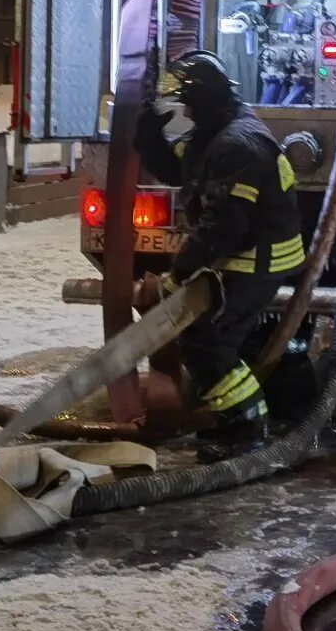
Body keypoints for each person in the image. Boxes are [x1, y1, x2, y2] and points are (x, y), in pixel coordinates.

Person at [132, 49, 308, 462]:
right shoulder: (216, 132)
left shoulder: (238, 144)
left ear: (206, 102)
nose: (184, 112)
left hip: (258, 259)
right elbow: (183, 172)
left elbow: (223, 228)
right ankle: (242, 409)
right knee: (214, 337)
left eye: (187, 104)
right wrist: (149, 135)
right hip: (241, 250)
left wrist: (179, 275)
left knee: (205, 339)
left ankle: (247, 426)